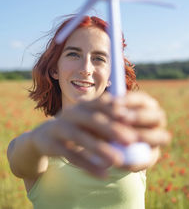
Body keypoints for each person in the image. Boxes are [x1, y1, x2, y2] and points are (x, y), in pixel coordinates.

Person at [7, 15, 171, 209]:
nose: (86, 69)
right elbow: (22, 159)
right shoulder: (36, 145)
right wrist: (40, 138)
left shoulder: (130, 139)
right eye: (73, 54)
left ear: (113, 75)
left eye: (99, 58)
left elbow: (145, 154)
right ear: (54, 69)